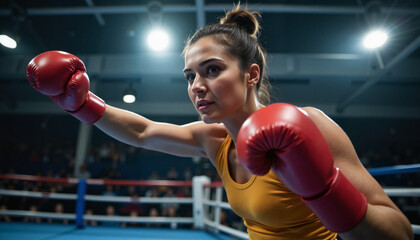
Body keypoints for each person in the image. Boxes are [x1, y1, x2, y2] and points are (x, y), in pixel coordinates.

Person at [26, 4, 413, 240]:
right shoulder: (214, 140)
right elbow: (142, 132)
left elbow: (396, 232)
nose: (197, 86)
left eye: (211, 70)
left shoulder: (309, 124)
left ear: (251, 75)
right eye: (189, 75)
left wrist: (325, 190)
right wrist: (83, 106)